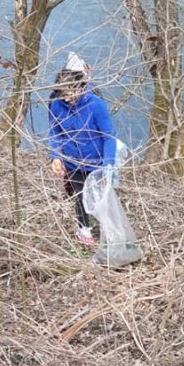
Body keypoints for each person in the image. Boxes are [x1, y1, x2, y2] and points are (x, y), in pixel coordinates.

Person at [49, 53, 116, 244]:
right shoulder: (56, 104)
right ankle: (83, 229)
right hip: (73, 161)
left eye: (70, 93)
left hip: (96, 161)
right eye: (63, 94)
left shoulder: (96, 105)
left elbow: (109, 136)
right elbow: (55, 132)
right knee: (79, 196)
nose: (67, 98)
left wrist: (108, 163)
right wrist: (56, 156)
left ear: (81, 87)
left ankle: (108, 229)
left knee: (100, 198)